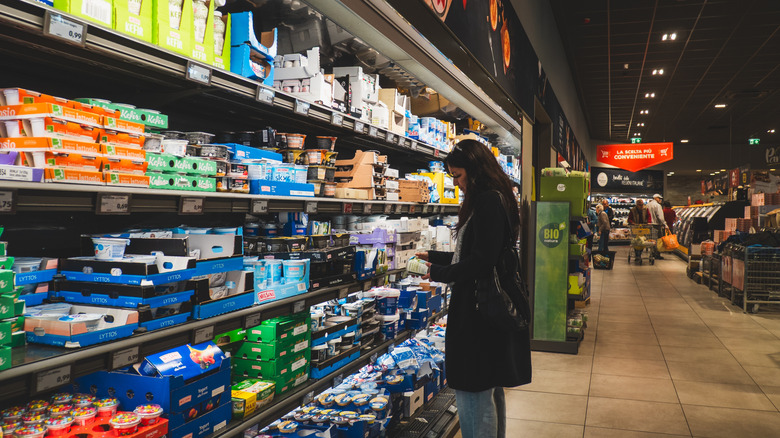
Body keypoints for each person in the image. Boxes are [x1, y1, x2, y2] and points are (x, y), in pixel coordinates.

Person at [414, 139, 531, 438]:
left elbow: (482, 261)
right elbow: (477, 251)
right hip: (483, 312)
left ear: (475, 170)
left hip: (478, 313)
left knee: (473, 388)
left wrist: (439, 272)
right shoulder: (497, 196)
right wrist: (436, 256)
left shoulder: (488, 200)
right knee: (487, 390)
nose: (457, 184)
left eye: (458, 176)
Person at [648, 194, 670, 259]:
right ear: (656, 198)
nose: (660, 200)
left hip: (649, 224)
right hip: (656, 225)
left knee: (651, 240)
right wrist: (665, 224)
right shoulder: (657, 205)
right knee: (658, 240)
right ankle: (657, 254)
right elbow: (660, 217)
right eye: (659, 198)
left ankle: (652, 253)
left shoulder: (648, 205)